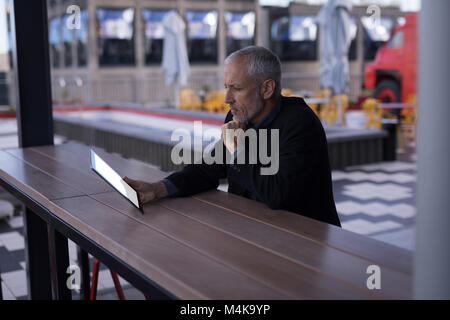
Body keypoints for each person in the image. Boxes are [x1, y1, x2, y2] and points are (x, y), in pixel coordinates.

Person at [124, 46, 341, 227]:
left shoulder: (300, 124)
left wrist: (238, 151)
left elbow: (277, 195)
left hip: (306, 242)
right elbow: (207, 169)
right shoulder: (239, 117)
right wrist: (158, 189)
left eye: (236, 88)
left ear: (266, 89)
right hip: (253, 231)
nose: (227, 98)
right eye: (226, 87)